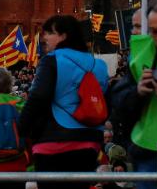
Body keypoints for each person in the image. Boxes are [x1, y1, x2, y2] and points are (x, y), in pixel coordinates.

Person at [20, 15, 109, 189]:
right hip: (89, 143)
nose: (44, 37)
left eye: (50, 33)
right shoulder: (99, 65)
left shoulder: (52, 60)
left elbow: (39, 97)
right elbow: (105, 102)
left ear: (64, 36)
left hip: (53, 142)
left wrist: (21, 129)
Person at [126, 0, 157, 189]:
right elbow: (120, 102)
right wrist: (138, 92)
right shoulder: (141, 54)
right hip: (148, 148)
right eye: (154, 32)